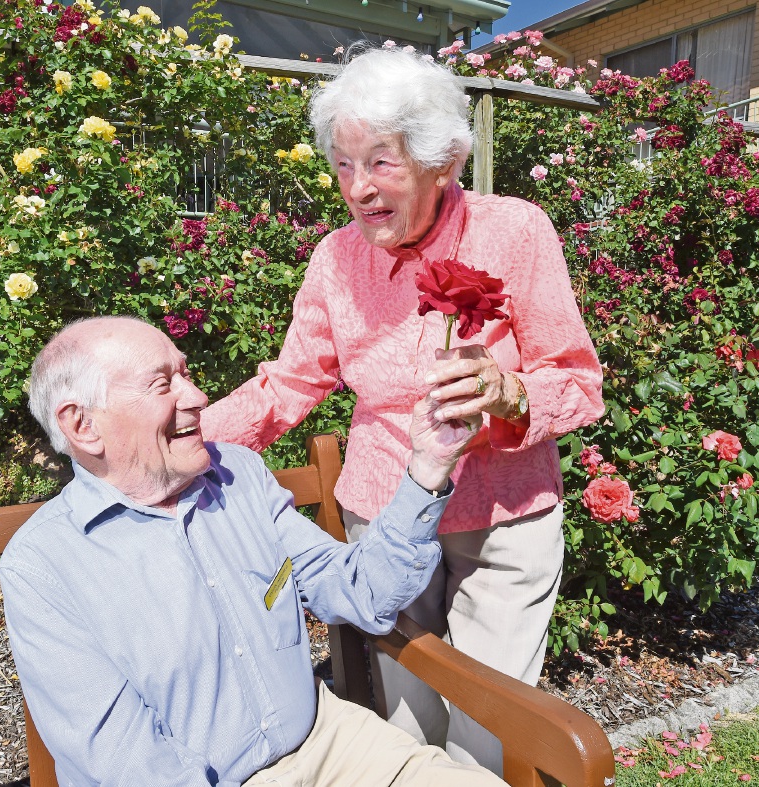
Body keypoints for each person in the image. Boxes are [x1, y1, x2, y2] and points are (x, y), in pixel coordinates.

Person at [200, 45, 604, 771]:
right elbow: (289, 384)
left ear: (440, 162)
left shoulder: (514, 231)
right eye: (343, 165)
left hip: (504, 514)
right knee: (405, 716)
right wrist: (181, 441)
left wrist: (510, 394)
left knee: (490, 725)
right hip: (385, 515)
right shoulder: (335, 259)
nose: (358, 188)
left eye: (380, 163)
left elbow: (575, 380)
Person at [0, 316, 506, 786]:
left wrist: (428, 467)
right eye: (162, 384)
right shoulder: (43, 566)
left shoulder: (237, 475)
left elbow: (360, 592)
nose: (198, 397)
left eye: (185, 374)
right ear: (83, 426)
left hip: (331, 743)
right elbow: (128, 762)